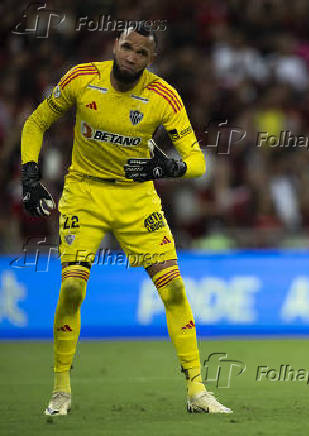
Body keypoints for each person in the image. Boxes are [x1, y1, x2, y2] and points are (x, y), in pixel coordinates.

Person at [21, 25, 231, 415]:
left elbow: (198, 160)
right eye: (127, 47)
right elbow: (35, 123)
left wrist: (170, 167)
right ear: (115, 46)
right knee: (72, 290)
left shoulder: (162, 96)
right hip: (84, 193)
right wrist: (30, 175)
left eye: (141, 53)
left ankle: (197, 391)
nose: (131, 57)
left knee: (173, 290)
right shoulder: (82, 79)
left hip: (137, 200)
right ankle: (61, 389)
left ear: (151, 60)